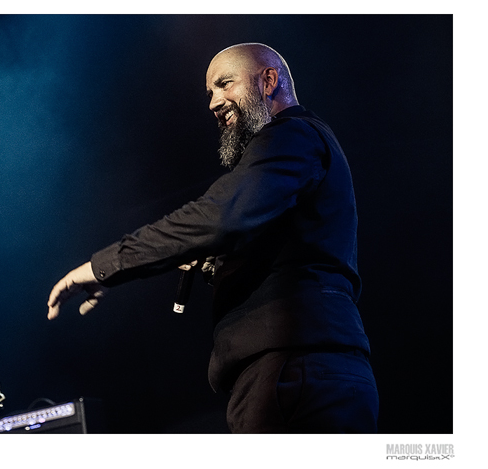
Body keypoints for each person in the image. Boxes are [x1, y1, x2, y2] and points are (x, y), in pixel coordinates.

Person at [47, 43, 379, 433]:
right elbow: (282, 245)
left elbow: (218, 217)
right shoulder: (299, 152)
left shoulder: (292, 135)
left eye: (225, 84)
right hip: (306, 370)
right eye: (209, 93)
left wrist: (102, 267)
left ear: (268, 80)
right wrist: (217, 262)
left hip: (295, 370)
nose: (214, 102)